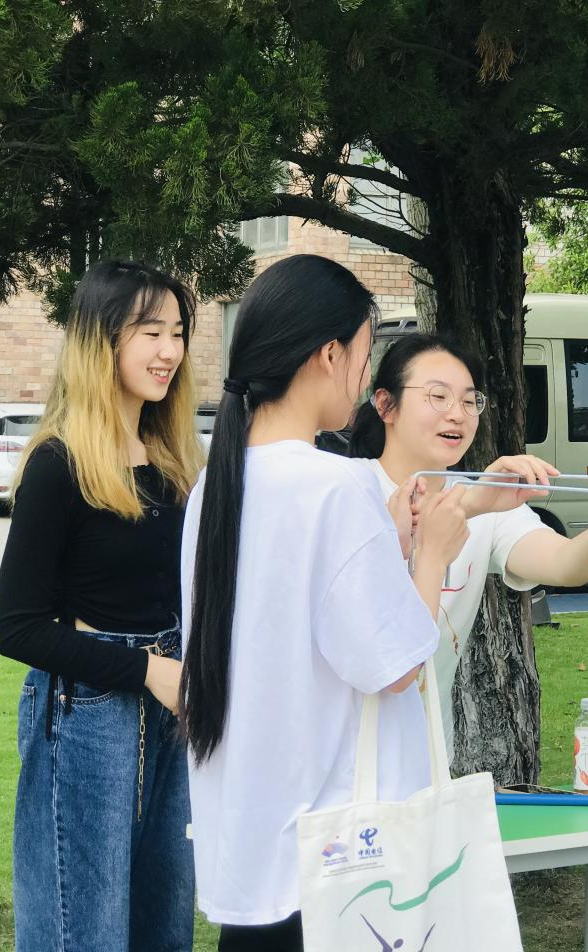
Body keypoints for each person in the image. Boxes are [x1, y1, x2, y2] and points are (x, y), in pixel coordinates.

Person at [180, 256, 470, 950]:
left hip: (254, 852)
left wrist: (388, 548)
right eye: (364, 356)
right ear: (329, 354)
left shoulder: (214, 489)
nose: (363, 380)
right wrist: (431, 555)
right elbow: (394, 667)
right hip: (340, 867)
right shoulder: (336, 487)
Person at [0, 260, 203, 951]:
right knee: (84, 934)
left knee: (163, 928)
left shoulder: (175, 462)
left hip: (173, 708)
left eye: (177, 332)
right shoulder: (59, 463)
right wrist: (146, 670)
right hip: (85, 719)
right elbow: (15, 627)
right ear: (102, 340)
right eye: (150, 332)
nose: (169, 351)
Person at [346, 333, 588, 757]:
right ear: (385, 405)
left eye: (470, 401)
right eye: (438, 396)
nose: (457, 414)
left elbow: (566, 565)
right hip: (342, 762)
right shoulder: (347, 491)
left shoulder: (488, 500)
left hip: (426, 760)